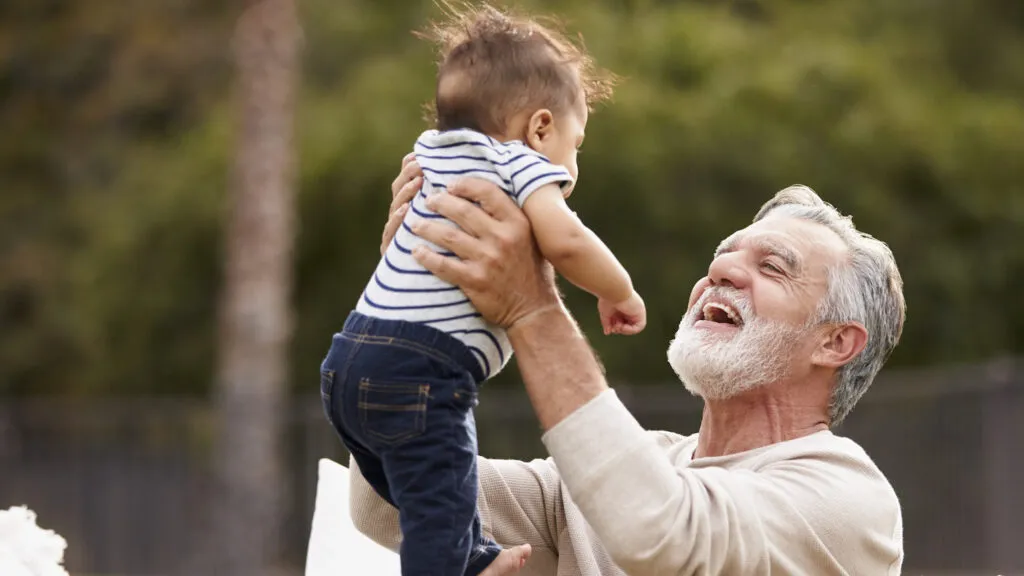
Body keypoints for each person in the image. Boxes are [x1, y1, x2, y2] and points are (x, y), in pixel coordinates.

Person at [349, 168, 907, 575]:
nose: (720, 270)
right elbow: (387, 503)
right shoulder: (620, 473)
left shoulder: (848, 498)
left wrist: (532, 307)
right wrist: (409, 303)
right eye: (724, 254)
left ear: (835, 342)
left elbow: (661, 531)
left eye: (772, 267)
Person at [319, 5, 645, 575]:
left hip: (348, 360)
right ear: (541, 127)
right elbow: (567, 242)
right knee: (438, 504)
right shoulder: (520, 163)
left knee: (431, 492)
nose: (574, 163)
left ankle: (469, 557)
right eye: (577, 143)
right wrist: (618, 291)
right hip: (422, 372)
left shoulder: (432, 154)